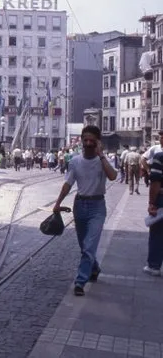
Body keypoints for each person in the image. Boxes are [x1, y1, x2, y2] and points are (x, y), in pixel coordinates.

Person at [52, 125, 117, 296]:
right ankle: (94, 268)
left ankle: (80, 281)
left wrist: (101, 155)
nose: (88, 143)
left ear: (98, 143)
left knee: (89, 246)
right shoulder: (75, 161)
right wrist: (58, 203)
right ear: (81, 141)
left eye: (92, 141)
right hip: (80, 206)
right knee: (84, 246)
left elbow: (113, 176)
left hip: (97, 207)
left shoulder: (103, 161)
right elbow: (68, 184)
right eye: (85, 140)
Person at [145, 149, 163, 276]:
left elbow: (155, 182)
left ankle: (154, 266)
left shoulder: (159, 157)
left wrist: (152, 203)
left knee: (157, 232)